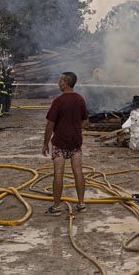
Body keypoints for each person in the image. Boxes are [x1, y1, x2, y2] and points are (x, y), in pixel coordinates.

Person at [43, 71, 88, 215]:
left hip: (60, 142)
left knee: (59, 172)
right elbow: (85, 121)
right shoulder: (80, 99)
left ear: (65, 83)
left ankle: (56, 207)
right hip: (75, 143)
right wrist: (75, 128)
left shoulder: (58, 101)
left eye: (59, 80)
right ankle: (81, 203)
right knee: (78, 171)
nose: (58, 82)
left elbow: (50, 125)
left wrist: (45, 143)